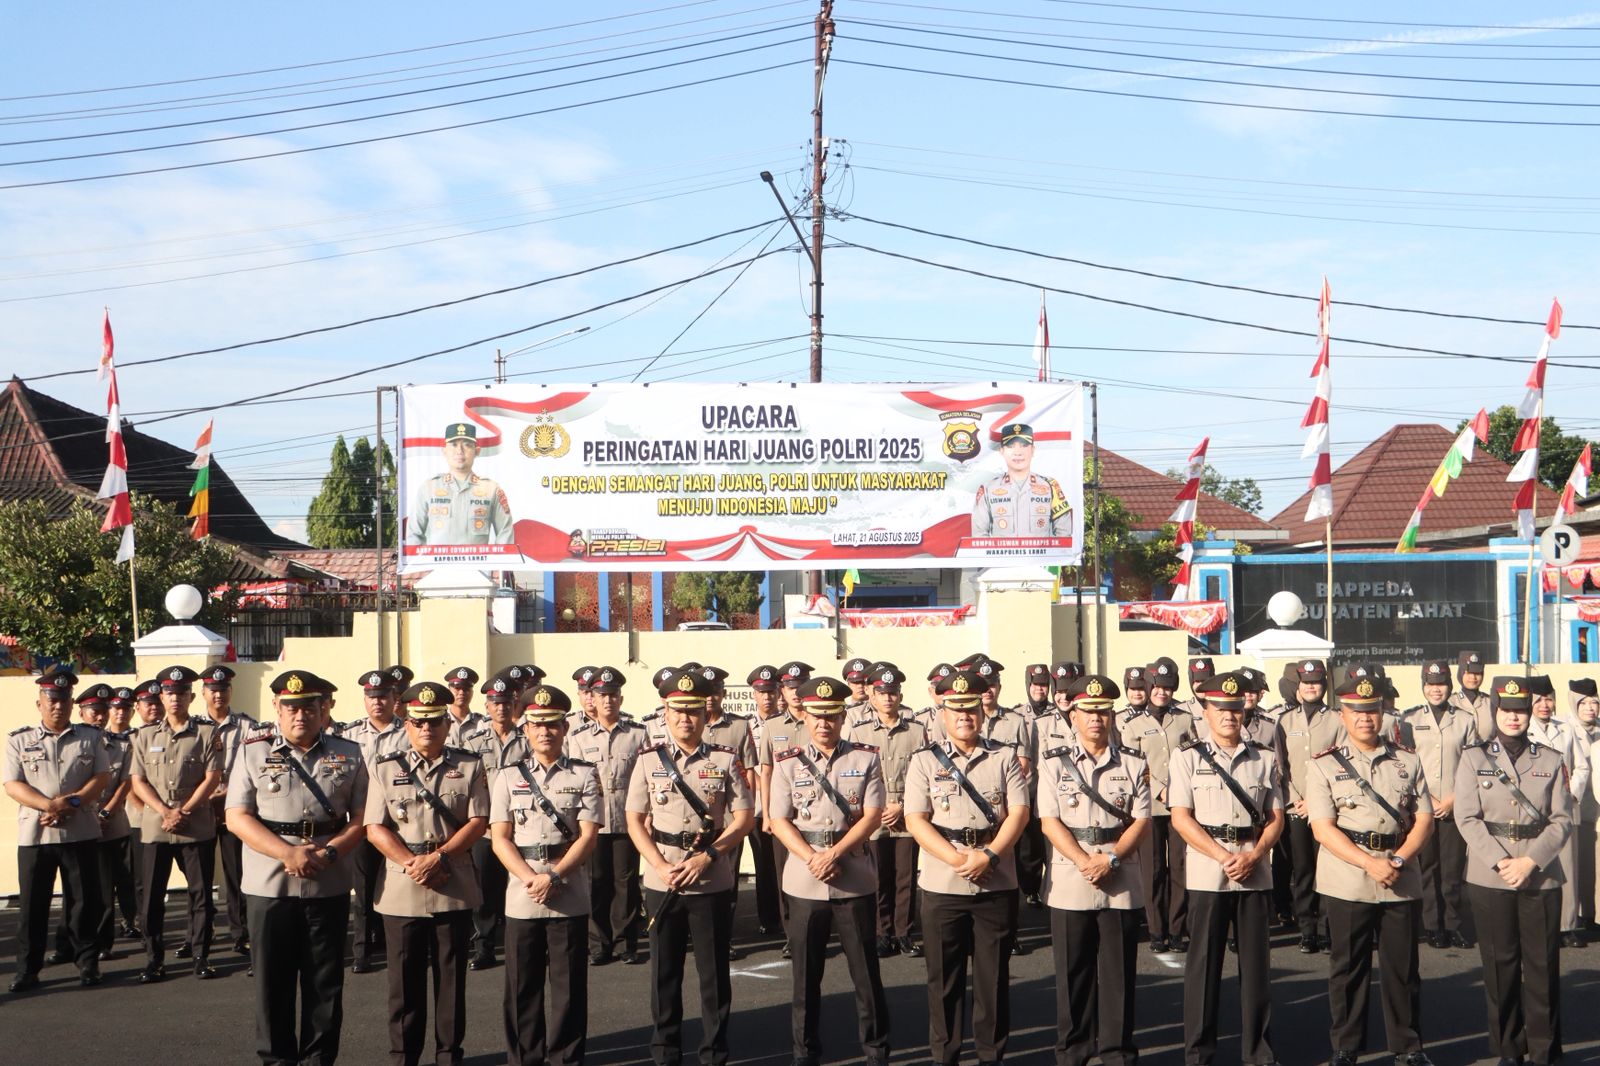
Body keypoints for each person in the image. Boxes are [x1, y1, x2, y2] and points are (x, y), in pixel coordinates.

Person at [226, 671, 369, 1066]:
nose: (299, 715)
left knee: (325, 983)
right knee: (272, 983)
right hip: (269, 883)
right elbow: (237, 817)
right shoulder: (252, 751)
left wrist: (331, 853)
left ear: (324, 709)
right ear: (276, 708)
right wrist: (287, 854)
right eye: (290, 707)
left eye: (308, 706)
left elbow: (361, 819)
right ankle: (277, 1060)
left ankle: (318, 1060)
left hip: (329, 879)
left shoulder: (351, 753)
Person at [626, 668, 755, 1066]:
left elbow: (744, 818)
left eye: (693, 711)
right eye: (678, 711)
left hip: (711, 879)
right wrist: (659, 865)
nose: (686, 719)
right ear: (665, 712)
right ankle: (666, 1052)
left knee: (713, 973)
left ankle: (714, 1051)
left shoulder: (724, 758)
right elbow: (634, 819)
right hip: (663, 880)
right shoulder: (648, 761)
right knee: (665, 973)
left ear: (705, 713)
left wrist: (708, 856)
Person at [903, 667, 1031, 1066]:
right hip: (944, 882)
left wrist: (989, 856)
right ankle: (946, 1056)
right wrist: (960, 860)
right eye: (956, 708)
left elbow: (1020, 812)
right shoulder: (924, 761)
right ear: (942, 712)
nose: (964, 716)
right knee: (944, 981)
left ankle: (992, 1056)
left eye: (971, 708)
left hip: (996, 881)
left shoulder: (1005, 757)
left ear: (982, 710)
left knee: (993, 981)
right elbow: (916, 820)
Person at [1308, 675, 1436, 1066]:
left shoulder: (1407, 760)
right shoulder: (1324, 765)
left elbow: (1424, 819)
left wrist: (1396, 861)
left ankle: (1408, 1046)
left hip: (1399, 873)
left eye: (1372, 711)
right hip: (1349, 876)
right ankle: (1346, 1047)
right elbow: (1322, 827)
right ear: (1343, 715)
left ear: (1382, 713)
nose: (1366, 719)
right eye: (1357, 712)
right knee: (1348, 968)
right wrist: (1368, 863)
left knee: (1402, 969)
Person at [366, 680, 491, 1066]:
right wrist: (411, 862)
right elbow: (374, 826)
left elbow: (479, 819)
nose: (427, 729)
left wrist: (440, 858)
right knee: (403, 985)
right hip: (403, 885)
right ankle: (403, 1057)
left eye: (434, 721)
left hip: (451, 880)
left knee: (451, 981)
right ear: (406, 723)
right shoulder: (385, 769)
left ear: (447, 724)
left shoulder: (468, 765)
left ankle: (448, 1055)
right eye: (419, 721)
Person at [769, 676, 891, 1066]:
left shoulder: (866, 757)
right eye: (817, 715)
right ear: (804, 716)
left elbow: (872, 815)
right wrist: (812, 857)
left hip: (851, 874)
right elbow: (779, 819)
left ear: (842, 717)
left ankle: (876, 1051)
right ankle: (805, 1052)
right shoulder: (787, 763)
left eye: (832, 716)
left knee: (866, 975)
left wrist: (834, 853)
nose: (824, 723)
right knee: (806, 978)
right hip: (806, 879)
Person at [1455, 675, 1573, 1066]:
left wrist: (1529, 861)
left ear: (1529, 713)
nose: (1513, 717)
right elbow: (1467, 818)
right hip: (1492, 875)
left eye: (1520, 710)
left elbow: (1562, 820)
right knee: (1500, 967)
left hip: (1540, 875)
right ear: (1496, 712)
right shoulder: (1473, 758)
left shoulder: (1552, 759)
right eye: (1506, 710)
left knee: (1542, 968)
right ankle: (1508, 1049)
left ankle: (1544, 1053)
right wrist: (1502, 861)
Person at [1169, 671, 1284, 1066]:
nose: (1229, 716)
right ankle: (1199, 1055)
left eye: (1235, 709)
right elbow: (1181, 819)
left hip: (1254, 868)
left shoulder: (1265, 758)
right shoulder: (1186, 758)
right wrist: (1223, 857)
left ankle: (1259, 1054)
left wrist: (1255, 855)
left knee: (1256, 971)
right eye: (1220, 708)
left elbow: (1275, 817)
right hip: (1207, 870)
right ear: (1205, 710)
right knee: (1203, 970)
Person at [1037, 673, 1151, 1066]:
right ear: (1073, 715)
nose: (1095, 719)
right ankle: (1073, 1053)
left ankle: (1117, 1053)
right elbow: (1049, 821)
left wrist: (1112, 858)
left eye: (1103, 711)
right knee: (1073, 974)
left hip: (1119, 875)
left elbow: (1141, 820)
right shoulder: (1053, 763)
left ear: (1112, 715)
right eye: (1087, 711)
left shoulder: (1134, 763)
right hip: (1072, 875)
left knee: (1118, 974)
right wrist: (1085, 860)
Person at [492, 683, 603, 1066]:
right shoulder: (507, 777)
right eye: (537, 723)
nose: (544, 731)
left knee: (569, 987)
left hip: (567, 889)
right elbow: (500, 839)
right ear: (525, 728)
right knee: (522, 987)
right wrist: (530, 878)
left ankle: (567, 1058)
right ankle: (525, 1058)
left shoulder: (586, 774)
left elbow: (589, 836)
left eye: (552, 724)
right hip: (523, 891)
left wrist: (554, 877)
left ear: (564, 727)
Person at [5, 666, 112, 991]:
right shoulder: (18, 739)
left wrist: (73, 803)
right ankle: (27, 970)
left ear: (71, 704)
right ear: (39, 703)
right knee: (32, 907)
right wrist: (49, 806)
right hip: (36, 835)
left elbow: (101, 777)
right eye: (51, 699)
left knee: (83, 903)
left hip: (79, 832)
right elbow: (12, 784)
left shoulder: (91, 737)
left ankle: (87, 964)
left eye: (63, 700)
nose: (57, 706)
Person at [129, 664, 223, 982]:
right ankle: (154, 960)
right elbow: (138, 780)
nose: (174, 699)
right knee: (152, 897)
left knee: (200, 895)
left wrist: (183, 810)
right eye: (169, 693)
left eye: (181, 693)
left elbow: (213, 778)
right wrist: (164, 811)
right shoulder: (144, 736)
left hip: (194, 824)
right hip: (156, 826)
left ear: (191, 696)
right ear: (162, 696)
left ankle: (200, 956)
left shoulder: (207, 733)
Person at [565, 665, 651, 966]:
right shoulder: (577, 737)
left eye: (613, 695)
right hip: (593, 822)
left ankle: (626, 942)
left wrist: (647, 817)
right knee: (595, 882)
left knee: (626, 884)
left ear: (621, 698)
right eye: (602, 696)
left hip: (628, 820)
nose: (608, 701)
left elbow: (649, 778)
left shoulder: (638, 734)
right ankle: (599, 944)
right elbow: (572, 781)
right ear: (594, 698)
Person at [1394, 659, 1478, 950]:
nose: (1435, 689)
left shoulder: (1466, 720)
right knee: (1427, 868)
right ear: (1423, 686)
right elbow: (1404, 765)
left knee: (1452, 871)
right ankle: (1432, 924)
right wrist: (1429, 799)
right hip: (1423, 807)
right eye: (1430, 684)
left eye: (1441, 684)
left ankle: (1454, 924)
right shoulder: (1408, 720)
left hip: (1456, 806)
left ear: (1449, 686)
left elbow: (1472, 765)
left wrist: (1454, 799)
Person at [846, 664, 928, 958]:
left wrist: (903, 806)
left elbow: (925, 775)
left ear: (900, 694)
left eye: (893, 693)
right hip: (874, 815)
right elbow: (854, 774)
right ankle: (883, 933)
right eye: (882, 693)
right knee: (879, 877)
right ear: (872, 695)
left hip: (908, 814)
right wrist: (876, 808)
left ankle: (904, 932)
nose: (888, 698)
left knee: (905, 877)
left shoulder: (918, 731)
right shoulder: (859, 731)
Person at [1118, 655, 1197, 954]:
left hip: (1180, 807)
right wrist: (1161, 788)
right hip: (1148, 807)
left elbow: (1194, 758)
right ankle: (1155, 930)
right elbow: (1132, 766)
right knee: (1152, 870)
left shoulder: (1185, 720)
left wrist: (1178, 791)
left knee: (1178, 866)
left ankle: (1177, 929)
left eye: (1167, 687)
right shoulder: (1132, 724)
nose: (1161, 692)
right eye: (1157, 687)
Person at [456, 673, 530, 971]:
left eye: (506, 703)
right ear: (486, 706)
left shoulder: (527, 740)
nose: (501, 709)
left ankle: (518, 945)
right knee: (484, 888)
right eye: (495, 703)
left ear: (515, 705)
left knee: (519, 884)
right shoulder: (472, 740)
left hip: (520, 826)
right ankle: (484, 947)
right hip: (486, 828)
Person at [343, 667, 410, 972]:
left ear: (394, 698)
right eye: (371, 697)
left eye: (383, 696)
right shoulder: (350, 734)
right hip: (362, 821)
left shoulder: (408, 730)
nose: (377, 702)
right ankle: (362, 951)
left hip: (399, 822)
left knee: (399, 883)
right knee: (364, 886)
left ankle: (396, 945)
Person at [1275, 658, 1343, 953]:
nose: (1311, 686)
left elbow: (1342, 765)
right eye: (1306, 682)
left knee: (1327, 869)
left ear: (1323, 686)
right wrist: (1295, 799)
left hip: (1327, 809)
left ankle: (1328, 929)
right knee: (1302, 871)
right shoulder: (1285, 721)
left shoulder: (1338, 719)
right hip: (1296, 809)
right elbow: (1281, 767)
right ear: (1299, 687)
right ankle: (1307, 930)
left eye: (1316, 682)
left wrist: (1316, 802)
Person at [1524, 673, 1591, 948]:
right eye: (1539, 700)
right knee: (1538, 867)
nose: (1544, 705)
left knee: (1568, 869)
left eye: (1548, 700)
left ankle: (1567, 926)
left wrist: (1569, 793)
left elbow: (1582, 767)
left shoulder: (1566, 729)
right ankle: (1540, 926)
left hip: (1564, 809)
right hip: (1534, 811)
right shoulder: (1523, 729)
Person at [195, 664, 253, 958]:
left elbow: (252, 767)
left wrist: (226, 793)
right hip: (200, 810)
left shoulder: (247, 727)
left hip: (234, 809)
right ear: (203, 692)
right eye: (213, 690)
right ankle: (197, 937)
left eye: (223, 689)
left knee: (236, 874)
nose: (218, 695)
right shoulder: (194, 727)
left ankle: (240, 933)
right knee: (200, 879)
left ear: (230, 691)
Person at [757, 665, 810, 953]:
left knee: (814, 868)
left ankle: (816, 929)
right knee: (783, 874)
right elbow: (765, 771)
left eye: (801, 686)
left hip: (815, 812)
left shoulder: (820, 719)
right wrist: (766, 814)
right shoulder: (773, 726)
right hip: (783, 812)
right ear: (782, 692)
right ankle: (792, 934)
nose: (796, 693)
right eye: (790, 688)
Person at [404, 420, 514, 546]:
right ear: (444, 451)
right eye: (454, 444)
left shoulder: (491, 489)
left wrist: (498, 564)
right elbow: (413, 534)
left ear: (477, 451)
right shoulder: (429, 488)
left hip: (478, 565)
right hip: (438, 565)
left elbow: (505, 532)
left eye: (467, 445)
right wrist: (422, 565)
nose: (460, 451)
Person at [970, 421, 1071, 537]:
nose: (1018, 452)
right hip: (1002, 555)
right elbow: (979, 536)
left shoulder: (1050, 486)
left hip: (1040, 555)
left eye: (1024, 445)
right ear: (1002, 451)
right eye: (1011, 446)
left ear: (1033, 450)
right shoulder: (988, 489)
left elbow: (1064, 534)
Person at [1573, 678, 1600, 934]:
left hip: (1598, 811)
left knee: (1598, 867)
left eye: (1595, 702)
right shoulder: (1567, 729)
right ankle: (1580, 916)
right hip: (1579, 809)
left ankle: (1595, 917)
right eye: (1584, 703)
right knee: (1580, 866)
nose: (1590, 708)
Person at [1449, 651, 1492, 742]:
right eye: (1468, 673)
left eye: (1477, 673)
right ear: (1460, 673)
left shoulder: (1492, 703)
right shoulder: (1449, 703)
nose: (1473, 677)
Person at [443, 666, 484, 745]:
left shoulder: (481, 723)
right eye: (457, 688)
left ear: (472, 692)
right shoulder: (439, 722)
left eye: (466, 689)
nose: (461, 693)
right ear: (449, 691)